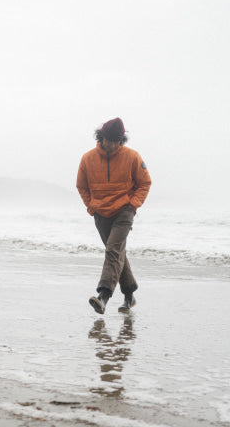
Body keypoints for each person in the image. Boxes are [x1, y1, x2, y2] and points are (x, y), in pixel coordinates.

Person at [76, 118, 151, 314]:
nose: (111, 145)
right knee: (117, 253)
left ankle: (103, 296)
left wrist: (133, 205)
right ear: (101, 137)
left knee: (112, 250)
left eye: (116, 141)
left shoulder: (132, 157)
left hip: (124, 211)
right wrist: (91, 206)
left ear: (121, 140)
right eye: (108, 140)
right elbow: (81, 186)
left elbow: (145, 183)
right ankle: (129, 295)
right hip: (100, 213)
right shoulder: (87, 158)